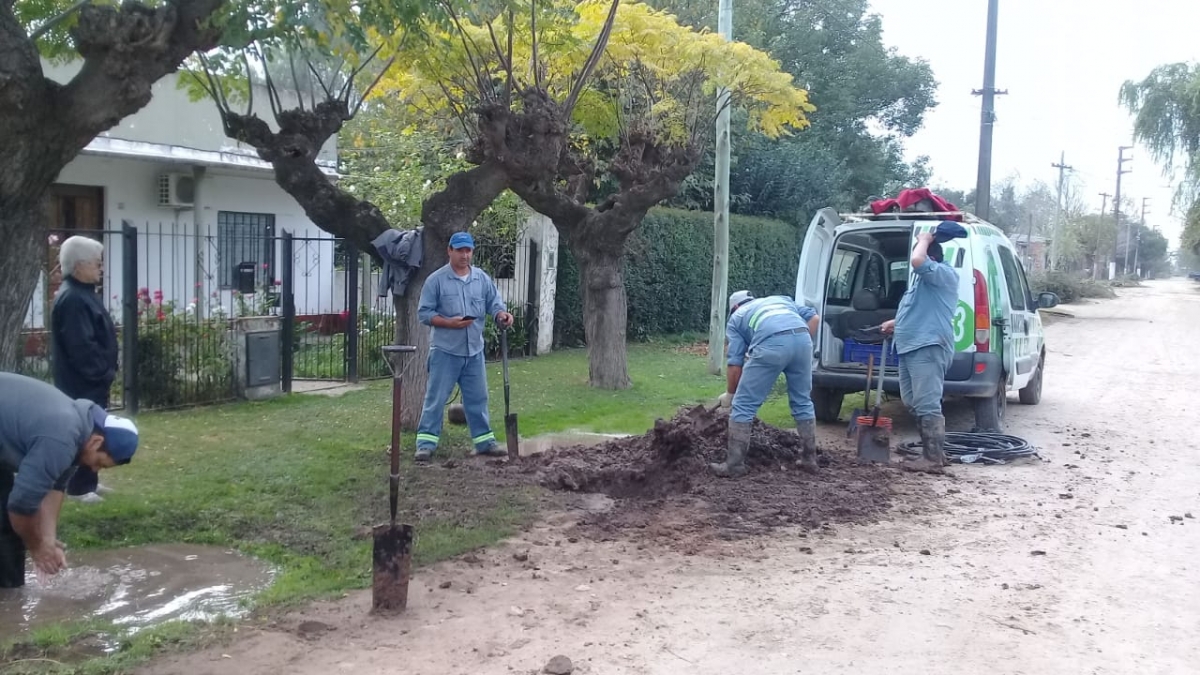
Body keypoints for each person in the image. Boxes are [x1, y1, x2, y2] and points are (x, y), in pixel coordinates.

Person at [1, 372, 139, 587]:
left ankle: (9, 599)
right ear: (96, 442)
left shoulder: (79, 430)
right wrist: (38, 548)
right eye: (100, 463)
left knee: (6, 526)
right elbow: (20, 506)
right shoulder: (62, 438)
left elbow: (55, 487)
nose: (94, 470)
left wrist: (47, 540)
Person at [414, 232, 514, 462]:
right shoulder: (436, 280)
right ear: (449, 250)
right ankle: (426, 444)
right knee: (435, 399)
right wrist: (449, 322)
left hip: (474, 351)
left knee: (478, 398)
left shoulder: (481, 279)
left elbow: (494, 303)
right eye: (460, 250)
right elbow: (424, 313)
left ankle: (484, 443)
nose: (464, 255)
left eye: (468, 250)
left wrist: (502, 315)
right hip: (445, 352)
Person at [711, 290, 822, 478]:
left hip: (771, 343)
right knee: (802, 401)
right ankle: (809, 459)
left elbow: (734, 363)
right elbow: (815, 318)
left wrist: (730, 394)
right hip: (803, 341)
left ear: (735, 307)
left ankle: (734, 465)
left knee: (743, 405)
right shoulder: (780, 299)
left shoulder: (736, 318)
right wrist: (795, 347)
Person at [881, 230, 961, 470]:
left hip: (927, 346)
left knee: (926, 403)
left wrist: (923, 240)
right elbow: (921, 310)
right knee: (911, 400)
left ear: (931, 259)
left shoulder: (945, 274)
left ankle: (933, 457)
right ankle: (933, 452)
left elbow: (917, 261)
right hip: (909, 346)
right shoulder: (922, 283)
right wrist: (896, 323)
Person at [51, 235, 119, 502]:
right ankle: (78, 487)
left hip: (91, 381)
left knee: (94, 431)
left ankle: (89, 481)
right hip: (81, 382)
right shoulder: (73, 299)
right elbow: (82, 346)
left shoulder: (83, 294)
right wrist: (102, 372)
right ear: (78, 266)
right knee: (84, 433)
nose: (100, 268)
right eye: (95, 263)